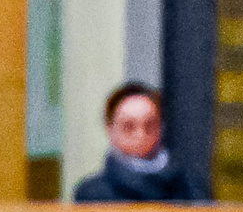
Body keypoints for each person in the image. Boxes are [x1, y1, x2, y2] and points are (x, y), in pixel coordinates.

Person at [70, 83, 209, 201]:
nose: (140, 135)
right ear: (110, 129)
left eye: (150, 125)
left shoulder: (191, 188)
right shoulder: (92, 195)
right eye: (129, 127)